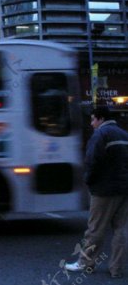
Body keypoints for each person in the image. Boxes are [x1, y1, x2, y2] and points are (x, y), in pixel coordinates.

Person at [65, 106, 128, 278]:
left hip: (104, 189)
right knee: (120, 230)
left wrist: (89, 181)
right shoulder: (124, 134)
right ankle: (116, 269)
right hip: (124, 189)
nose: (92, 124)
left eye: (93, 119)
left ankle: (86, 262)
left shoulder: (101, 134)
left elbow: (92, 161)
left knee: (95, 229)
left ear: (100, 118)